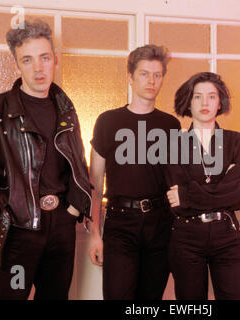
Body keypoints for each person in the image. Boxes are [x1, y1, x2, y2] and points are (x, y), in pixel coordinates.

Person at [0, 20, 91, 300]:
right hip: (17, 236)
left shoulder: (67, 109)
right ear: (16, 66)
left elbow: (77, 164)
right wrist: (8, 212)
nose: (38, 68)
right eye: (27, 60)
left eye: (44, 58)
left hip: (61, 232)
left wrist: (73, 212)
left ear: (54, 60)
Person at [87, 44, 181, 300]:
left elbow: (177, 182)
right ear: (130, 77)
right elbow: (95, 183)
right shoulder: (108, 121)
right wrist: (95, 234)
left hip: (160, 224)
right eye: (143, 74)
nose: (151, 81)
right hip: (120, 223)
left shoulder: (171, 124)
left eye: (157, 75)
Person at [165, 72, 240, 300]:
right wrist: (223, 190)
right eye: (197, 97)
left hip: (227, 234)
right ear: (188, 103)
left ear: (220, 102)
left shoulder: (235, 141)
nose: (205, 103)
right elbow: (176, 203)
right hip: (186, 236)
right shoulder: (173, 144)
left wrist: (188, 195)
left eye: (211, 97)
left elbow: (239, 194)